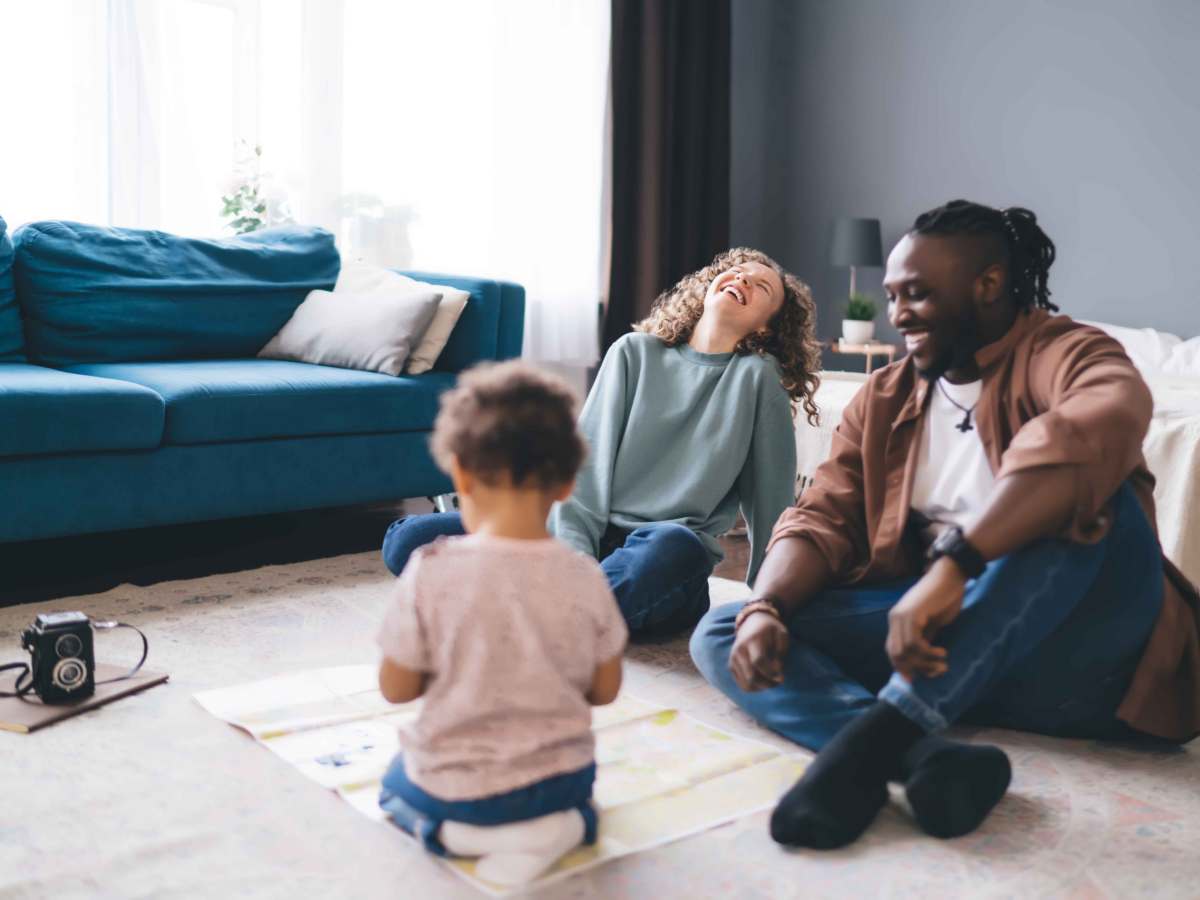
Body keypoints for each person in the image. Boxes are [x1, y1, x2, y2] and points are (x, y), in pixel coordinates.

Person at [690, 200, 1200, 850]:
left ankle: (877, 741)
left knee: (1088, 507)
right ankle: (918, 754)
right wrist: (765, 606)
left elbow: (1098, 422)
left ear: (987, 285)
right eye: (893, 295)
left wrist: (956, 566)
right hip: (950, 655)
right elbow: (822, 516)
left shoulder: (1064, 351)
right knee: (729, 625)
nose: (897, 313)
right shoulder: (884, 396)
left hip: (1085, 664)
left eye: (918, 294)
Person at [382, 247, 821, 639]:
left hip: (657, 551)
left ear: (765, 330)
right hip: (576, 538)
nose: (742, 279)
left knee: (675, 548)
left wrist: (771, 601)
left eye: (761, 286)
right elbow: (585, 465)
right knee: (410, 539)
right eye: (736, 272)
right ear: (708, 288)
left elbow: (772, 501)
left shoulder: (758, 379)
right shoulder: (635, 352)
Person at [375, 361, 627, 887]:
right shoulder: (585, 575)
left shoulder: (431, 571)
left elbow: (396, 689)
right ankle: (559, 828)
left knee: (393, 784)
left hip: (458, 786)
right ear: (565, 485)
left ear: (461, 474)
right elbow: (604, 691)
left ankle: (464, 836)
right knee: (568, 800)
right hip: (563, 782)